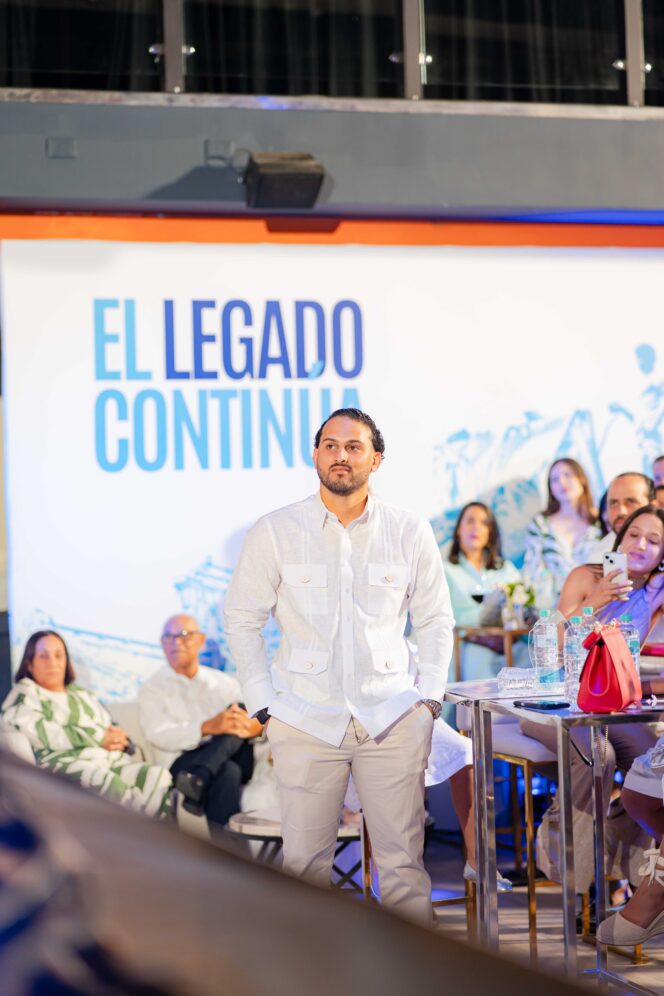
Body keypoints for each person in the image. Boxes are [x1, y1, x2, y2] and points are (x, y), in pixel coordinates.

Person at [224, 408, 454, 925]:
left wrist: (430, 700)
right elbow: (241, 619)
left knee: (402, 867)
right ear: (315, 455)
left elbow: (436, 619)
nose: (340, 456)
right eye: (330, 445)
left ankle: (408, 968)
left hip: (392, 717)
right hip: (304, 718)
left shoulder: (408, 529)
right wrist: (264, 705)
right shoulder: (276, 531)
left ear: (376, 458)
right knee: (304, 868)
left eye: (353, 447)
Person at [521, 505, 664, 893]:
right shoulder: (586, 576)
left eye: (654, 541)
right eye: (634, 534)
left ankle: (620, 856)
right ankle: (572, 866)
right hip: (554, 699)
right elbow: (550, 637)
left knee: (652, 758)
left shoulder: (654, 591)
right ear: (619, 538)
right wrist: (595, 600)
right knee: (598, 755)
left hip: (611, 706)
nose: (640, 545)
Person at [1, 630, 172, 818]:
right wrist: (98, 738)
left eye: (58, 655)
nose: (52, 662)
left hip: (107, 761)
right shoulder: (25, 693)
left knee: (157, 777)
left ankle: (151, 832)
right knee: (107, 782)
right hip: (62, 765)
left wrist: (117, 738)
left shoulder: (84, 695)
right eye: (43, 656)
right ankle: (137, 830)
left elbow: (109, 729)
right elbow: (40, 731)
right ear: (29, 664)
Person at [138, 613, 264, 836]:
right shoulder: (152, 688)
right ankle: (230, 853)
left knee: (237, 709)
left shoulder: (224, 684)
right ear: (162, 643)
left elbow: (254, 721)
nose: (176, 642)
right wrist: (207, 727)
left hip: (235, 756)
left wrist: (246, 725)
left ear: (201, 640)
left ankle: (201, 776)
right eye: (169, 637)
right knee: (228, 772)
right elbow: (157, 734)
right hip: (182, 762)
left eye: (184, 635)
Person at [444, 501, 528, 679]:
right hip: (466, 644)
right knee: (479, 660)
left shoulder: (506, 570)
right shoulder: (445, 571)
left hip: (509, 643)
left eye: (484, 523)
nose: (476, 527)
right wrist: (481, 635)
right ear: (458, 529)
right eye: (470, 521)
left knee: (532, 658)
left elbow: (523, 608)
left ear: (490, 532)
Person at [524, 458, 599, 599]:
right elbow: (532, 569)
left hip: (595, 603)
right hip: (553, 605)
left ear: (581, 478)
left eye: (568, 475)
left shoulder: (600, 522)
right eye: (554, 480)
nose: (562, 483)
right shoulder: (540, 524)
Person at [586, 472, 655, 563]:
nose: (621, 511)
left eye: (630, 502)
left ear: (652, 505)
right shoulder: (598, 557)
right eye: (614, 503)